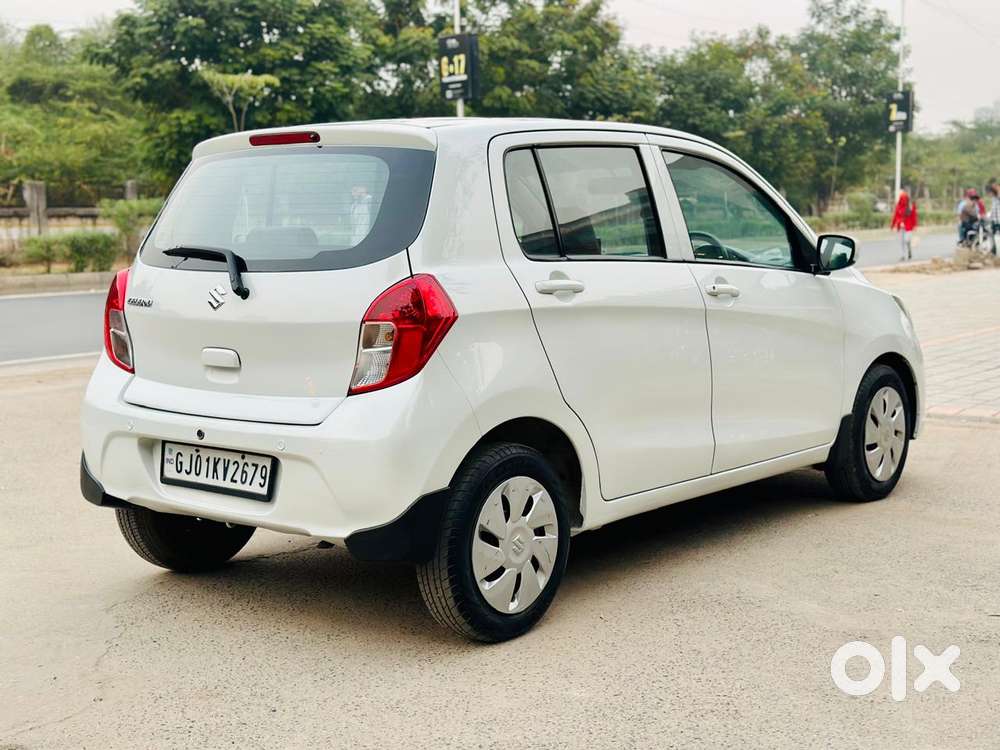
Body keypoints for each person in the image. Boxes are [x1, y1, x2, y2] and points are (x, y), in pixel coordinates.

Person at [890, 188, 918, 261]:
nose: (903, 200)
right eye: (901, 198)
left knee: (906, 240)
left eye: (904, 198)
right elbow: (895, 216)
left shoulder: (911, 206)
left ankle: (909, 249)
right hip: (901, 227)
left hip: (909, 226)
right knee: (901, 241)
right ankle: (903, 255)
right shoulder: (898, 206)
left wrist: (915, 225)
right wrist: (892, 225)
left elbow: (914, 216)